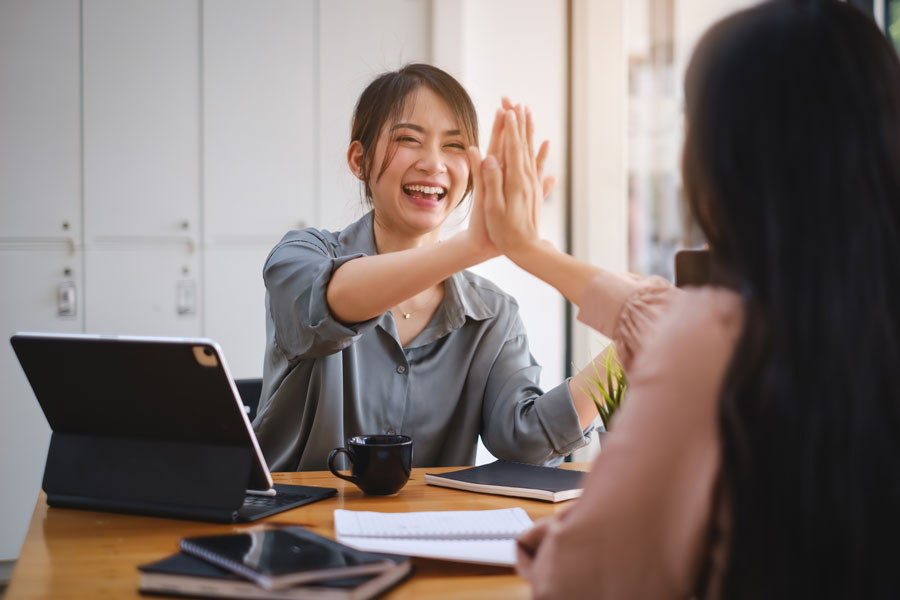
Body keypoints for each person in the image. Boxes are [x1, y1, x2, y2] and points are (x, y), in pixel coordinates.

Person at [470, 1, 900, 598]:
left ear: (731, 159)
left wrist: (576, 527)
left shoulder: (714, 342)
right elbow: (660, 316)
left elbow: (588, 577)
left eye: (689, 122)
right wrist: (531, 249)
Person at [253, 63, 603, 471]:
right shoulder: (300, 256)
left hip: (428, 532)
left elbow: (525, 441)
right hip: (293, 526)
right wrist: (469, 248)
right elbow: (329, 304)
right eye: (408, 139)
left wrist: (631, 347)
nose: (433, 163)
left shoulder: (492, 313)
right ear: (359, 160)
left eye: (454, 146)